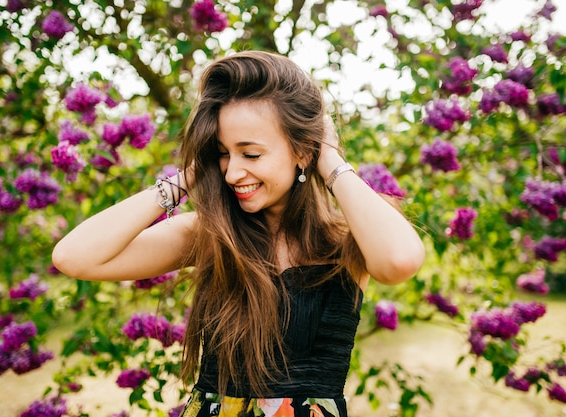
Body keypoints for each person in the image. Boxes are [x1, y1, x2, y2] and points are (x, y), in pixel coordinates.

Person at [52, 50, 425, 417]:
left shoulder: (346, 240)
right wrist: (190, 175)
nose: (231, 174)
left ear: (302, 150)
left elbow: (399, 261)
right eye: (223, 154)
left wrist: (329, 159)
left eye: (250, 154)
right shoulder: (210, 234)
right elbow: (74, 257)